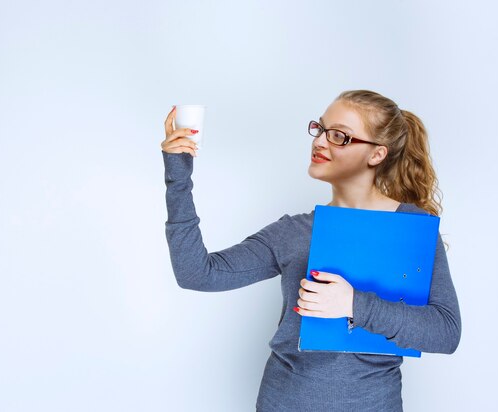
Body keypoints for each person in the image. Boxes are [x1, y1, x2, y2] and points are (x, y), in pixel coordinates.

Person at [160, 89, 462, 412]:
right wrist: (178, 173)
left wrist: (353, 304)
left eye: (339, 136)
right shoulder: (293, 232)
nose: (319, 141)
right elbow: (197, 273)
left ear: (377, 154)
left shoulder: (413, 231)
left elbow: (445, 331)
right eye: (319, 129)